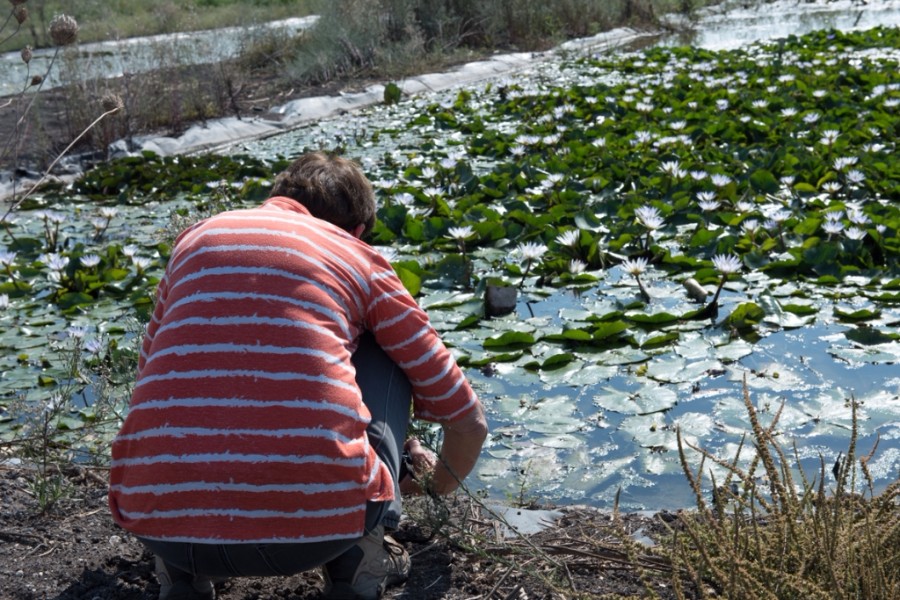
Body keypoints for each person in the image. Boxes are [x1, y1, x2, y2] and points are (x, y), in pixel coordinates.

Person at [108, 151, 488, 600]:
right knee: (386, 344)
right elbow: (466, 421)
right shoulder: (355, 255)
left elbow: (148, 372)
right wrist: (428, 485)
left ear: (275, 199)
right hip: (319, 533)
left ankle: (180, 573)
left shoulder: (194, 239)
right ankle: (359, 559)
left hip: (159, 526)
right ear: (360, 232)